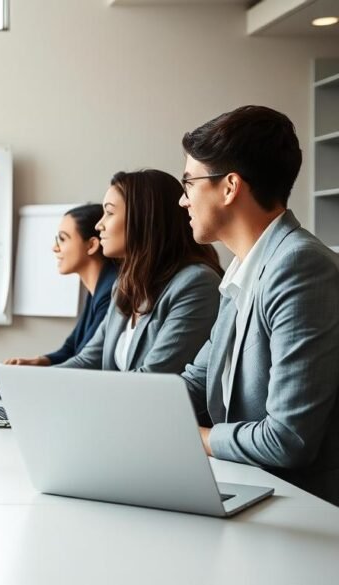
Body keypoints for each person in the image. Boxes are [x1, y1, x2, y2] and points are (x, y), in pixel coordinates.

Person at [178, 105, 339, 506]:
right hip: (257, 487)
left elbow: (288, 438)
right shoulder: (245, 269)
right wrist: (123, 409)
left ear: (229, 187)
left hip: (306, 507)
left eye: (189, 184)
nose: (183, 201)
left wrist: (193, 437)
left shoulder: (300, 266)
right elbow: (198, 381)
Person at [48, 170, 223, 374]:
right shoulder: (124, 285)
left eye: (110, 213)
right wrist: (29, 382)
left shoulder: (196, 284)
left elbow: (153, 377)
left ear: (143, 218)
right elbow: (88, 359)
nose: (99, 225)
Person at [3, 204, 118, 366]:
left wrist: (31, 375)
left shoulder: (111, 291)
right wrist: (38, 361)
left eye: (62, 239)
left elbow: (86, 361)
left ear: (91, 245)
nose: (55, 247)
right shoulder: (97, 290)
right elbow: (71, 348)